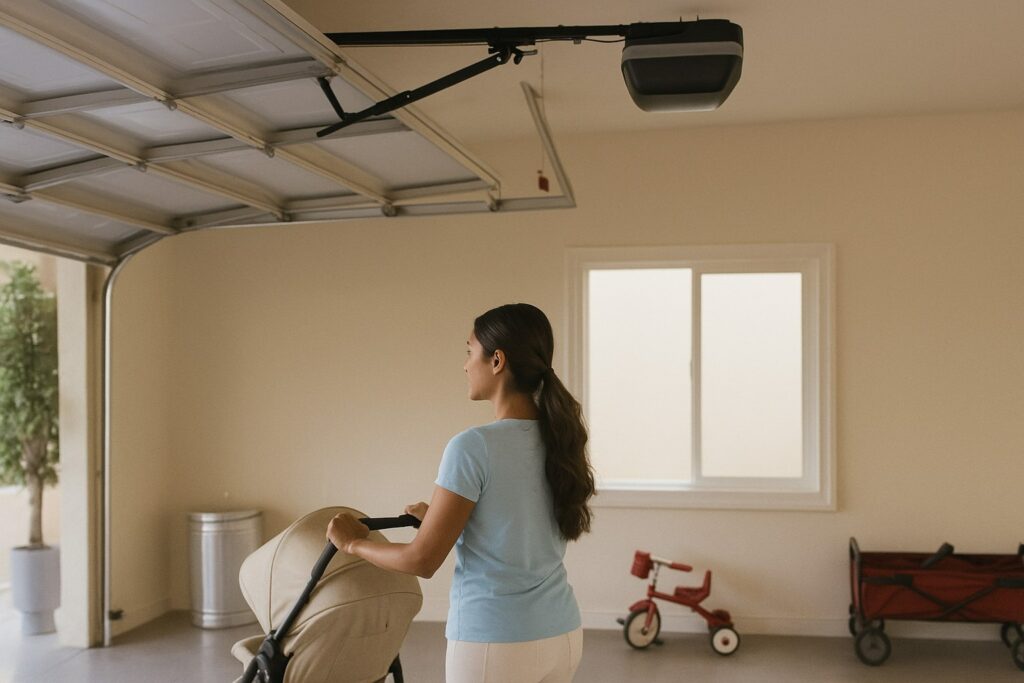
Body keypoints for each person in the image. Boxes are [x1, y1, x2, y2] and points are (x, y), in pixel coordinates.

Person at [327, 303, 596, 683]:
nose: (465, 365)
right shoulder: (560, 438)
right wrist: (443, 518)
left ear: (497, 360)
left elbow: (422, 560)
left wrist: (353, 544)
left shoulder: (473, 446)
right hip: (562, 636)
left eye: (469, 351)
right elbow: (518, 526)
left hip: (496, 643)